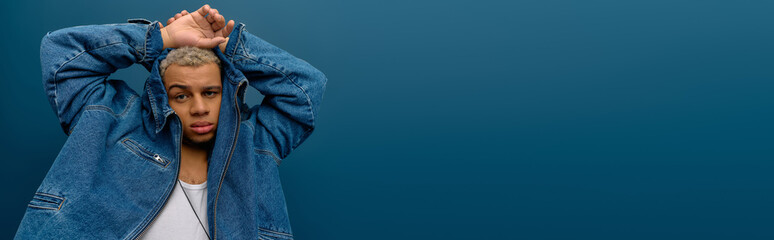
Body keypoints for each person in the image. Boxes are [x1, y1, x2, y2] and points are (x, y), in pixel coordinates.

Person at [15, 4, 326, 239]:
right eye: (181, 96)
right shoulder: (110, 119)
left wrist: (229, 46)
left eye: (211, 92)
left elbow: (307, 88)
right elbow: (61, 54)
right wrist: (161, 38)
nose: (200, 107)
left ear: (227, 93)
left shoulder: (254, 143)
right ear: (162, 97)